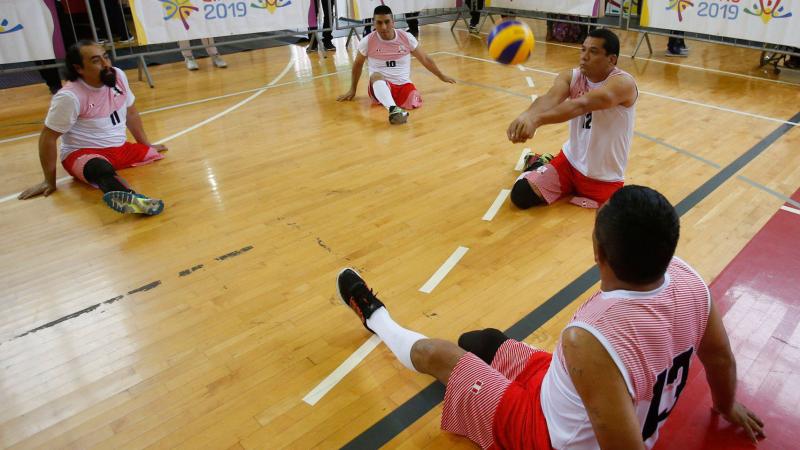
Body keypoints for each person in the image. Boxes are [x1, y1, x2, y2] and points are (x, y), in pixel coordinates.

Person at [338, 185, 766, 449]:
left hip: (543, 433)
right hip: (563, 390)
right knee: (481, 341)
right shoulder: (691, 282)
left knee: (438, 355)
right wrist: (726, 405)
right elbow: (721, 359)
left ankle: (376, 318)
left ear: (598, 253)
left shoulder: (591, 339)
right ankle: (479, 378)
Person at [18, 40, 166, 216]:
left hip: (120, 148)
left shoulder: (118, 76)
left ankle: (120, 179)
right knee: (100, 170)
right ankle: (132, 201)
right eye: (96, 61)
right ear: (79, 68)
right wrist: (49, 181)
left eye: (106, 57)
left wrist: (146, 144)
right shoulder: (69, 97)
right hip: (83, 153)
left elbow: (131, 113)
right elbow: (47, 137)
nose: (106, 65)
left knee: (154, 155)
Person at [507, 28, 637, 210]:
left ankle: (545, 163)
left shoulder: (623, 84)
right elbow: (550, 98)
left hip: (604, 179)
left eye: (593, 51)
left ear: (612, 59)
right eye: (583, 49)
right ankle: (541, 161)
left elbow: (581, 105)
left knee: (612, 222)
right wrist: (527, 116)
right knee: (521, 194)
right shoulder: (571, 76)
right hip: (569, 163)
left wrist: (537, 121)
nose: (584, 56)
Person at [337, 5, 455, 125]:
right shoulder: (368, 41)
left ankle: (394, 105)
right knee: (376, 76)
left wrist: (441, 76)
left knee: (414, 101)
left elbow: (425, 59)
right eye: (379, 23)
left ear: (393, 22)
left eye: (387, 22)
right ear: (374, 23)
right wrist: (352, 89)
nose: (383, 27)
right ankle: (394, 109)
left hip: (403, 85)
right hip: (379, 85)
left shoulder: (406, 38)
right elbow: (357, 65)